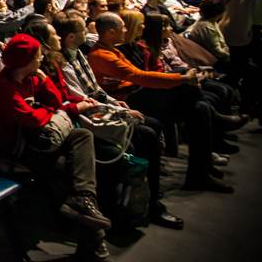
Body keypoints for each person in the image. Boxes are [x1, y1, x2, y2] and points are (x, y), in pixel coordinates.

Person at [0, 34, 112, 259]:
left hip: (39, 140)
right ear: (26, 60)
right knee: (70, 167)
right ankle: (93, 234)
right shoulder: (2, 87)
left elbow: (56, 101)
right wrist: (57, 113)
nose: (41, 59)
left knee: (82, 136)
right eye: (38, 56)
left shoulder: (31, 78)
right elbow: (33, 118)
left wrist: (44, 82)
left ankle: (83, 200)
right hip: (17, 148)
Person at [52, 11, 183, 229]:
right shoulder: (67, 60)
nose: (90, 31)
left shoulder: (80, 54)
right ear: (72, 37)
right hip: (88, 116)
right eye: (84, 30)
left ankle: (148, 198)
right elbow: (82, 97)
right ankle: (139, 205)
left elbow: (95, 89)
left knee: (153, 125)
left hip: (100, 105)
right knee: (146, 134)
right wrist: (118, 109)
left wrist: (115, 103)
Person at [88, 13, 232, 192]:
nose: (127, 30)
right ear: (110, 32)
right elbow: (137, 76)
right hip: (126, 99)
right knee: (190, 92)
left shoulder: (113, 50)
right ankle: (201, 169)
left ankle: (201, 171)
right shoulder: (102, 55)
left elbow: (138, 75)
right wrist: (181, 78)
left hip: (135, 93)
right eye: (122, 27)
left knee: (200, 108)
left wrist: (180, 78)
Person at [220, 0, 262, 115]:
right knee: (240, 73)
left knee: (242, 72)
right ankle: (243, 107)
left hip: (241, 35)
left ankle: (245, 106)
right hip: (242, 37)